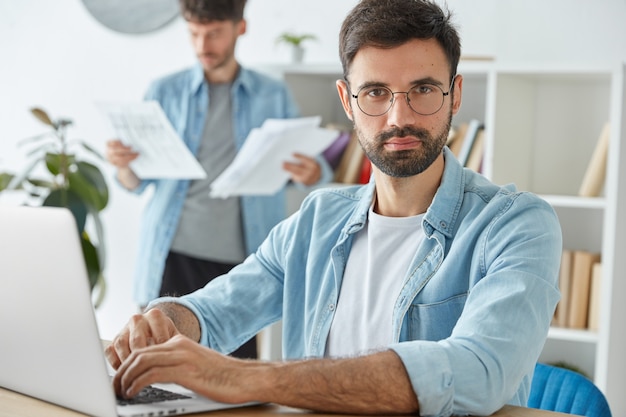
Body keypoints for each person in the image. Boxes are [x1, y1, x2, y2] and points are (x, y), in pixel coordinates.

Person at [106, 0, 562, 415]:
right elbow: (215, 312)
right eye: (376, 93)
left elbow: (475, 371)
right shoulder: (317, 218)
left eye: (422, 90)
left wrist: (244, 376)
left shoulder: (517, 225)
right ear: (347, 100)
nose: (399, 117)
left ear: (455, 95)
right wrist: (163, 324)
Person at [105, 0, 332, 358]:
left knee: (234, 379)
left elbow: (312, 164)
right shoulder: (163, 91)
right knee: (158, 367)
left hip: (242, 266)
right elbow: (135, 183)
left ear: (240, 28)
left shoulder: (272, 94)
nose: (202, 46)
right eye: (194, 33)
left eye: (213, 34)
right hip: (171, 256)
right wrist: (123, 166)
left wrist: (313, 171)